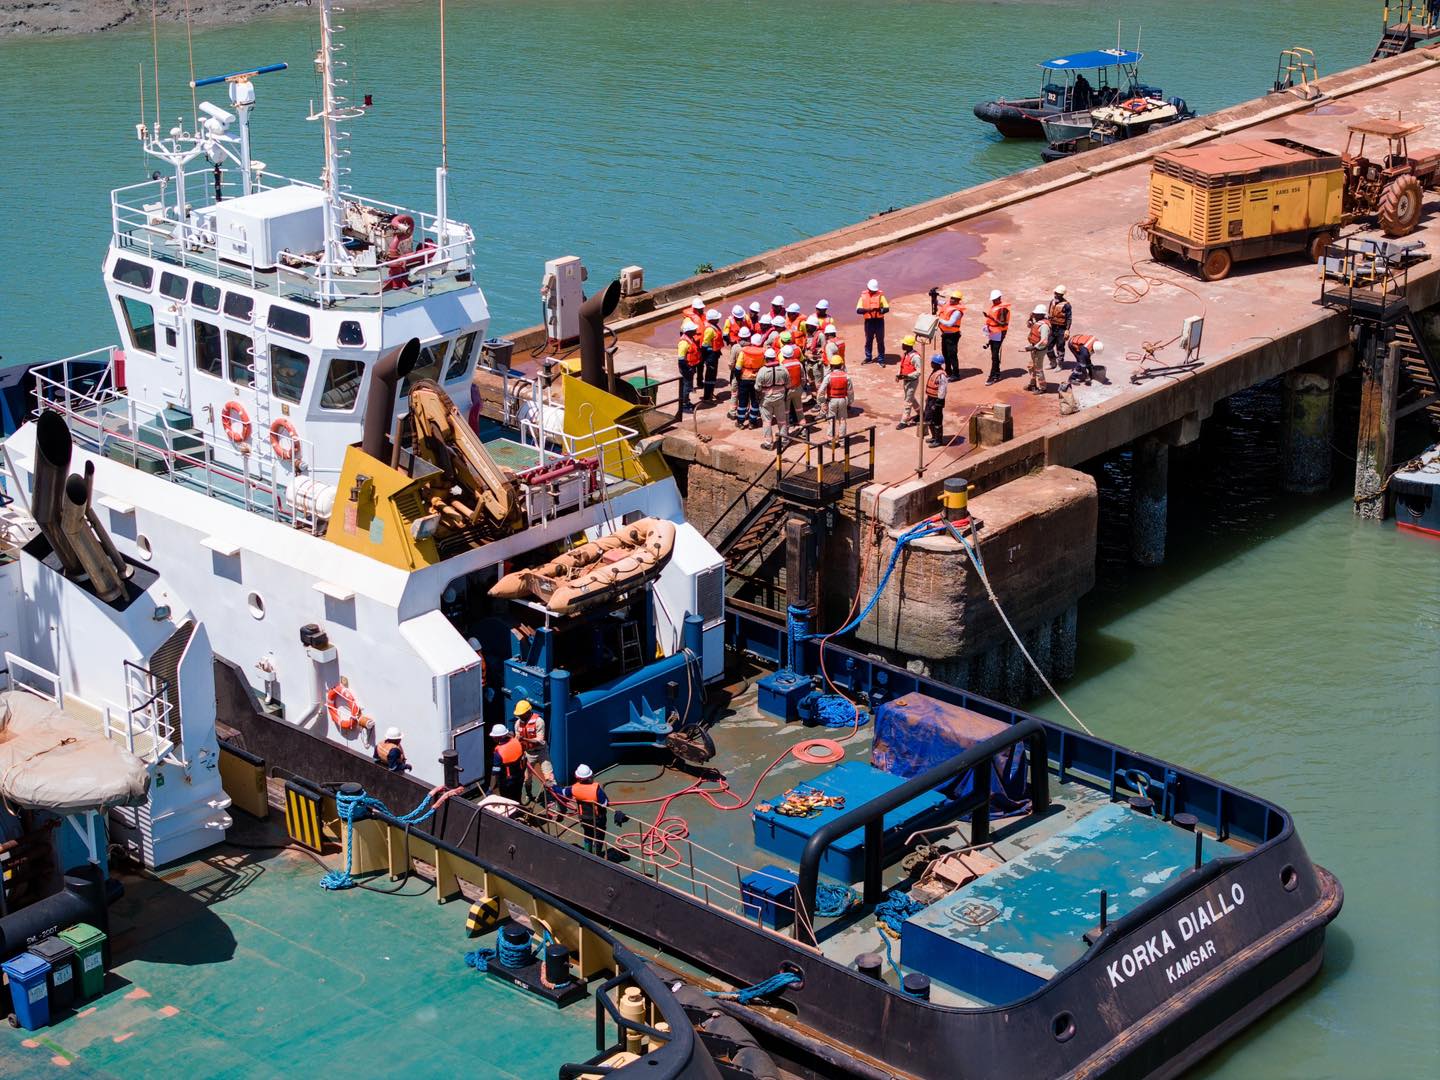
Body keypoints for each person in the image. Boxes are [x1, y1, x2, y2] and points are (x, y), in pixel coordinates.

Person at [553, 764, 609, 856]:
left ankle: (587, 853)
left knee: (588, 835)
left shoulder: (574, 789)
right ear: (590, 777)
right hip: (598, 819)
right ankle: (597, 855)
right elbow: (605, 803)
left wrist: (552, 787)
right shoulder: (597, 789)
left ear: (578, 778)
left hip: (585, 818)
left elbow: (562, 792)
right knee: (599, 837)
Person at [513, 700, 553, 803]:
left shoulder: (539, 721)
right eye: (519, 714)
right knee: (527, 778)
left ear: (528, 712)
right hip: (528, 753)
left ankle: (553, 798)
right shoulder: (518, 723)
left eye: (522, 714)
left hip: (541, 752)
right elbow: (517, 739)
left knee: (549, 777)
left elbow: (539, 741)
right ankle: (529, 794)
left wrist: (524, 739)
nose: (520, 716)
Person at [756, 348, 789, 450]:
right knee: (782, 420)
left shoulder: (762, 371)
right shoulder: (783, 369)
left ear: (766, 358)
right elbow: (788, 383)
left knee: (767, 421)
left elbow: (757, 387)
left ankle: (768, 443)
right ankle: (784, 440)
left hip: (766, 400)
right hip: (780, 398)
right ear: (774, 357)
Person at [821, 355, 854, 446]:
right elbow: (850, 391)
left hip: (832, 401)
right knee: (842, 420)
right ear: (841, 365)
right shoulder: (846, 376)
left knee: (831, 420)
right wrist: (850, 402)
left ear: (831, 366)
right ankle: (842, 441)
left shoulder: (828, 377)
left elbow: (821, 391)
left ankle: (831, 442)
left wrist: (822, 403)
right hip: (843, 400)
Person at [855, 278, 889, 364]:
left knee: (880, 340)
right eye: (871, 290)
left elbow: (886, 308)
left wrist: (879, 310)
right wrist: (867, 310)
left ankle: (881, 359)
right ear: (868, 288)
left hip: (879, 321)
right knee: (869, 340)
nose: (872, 292)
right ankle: (868, 357)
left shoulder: (881, 296)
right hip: (869, 322)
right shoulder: (863, 297)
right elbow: (858, 310)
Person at [489, 723, 526, 802]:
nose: (493, 738)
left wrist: (490, 788)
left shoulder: (498, 753)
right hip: (519, 776)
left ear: (499, 737)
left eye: (494, 736)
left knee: (507, 801)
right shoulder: (516, 742)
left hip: (507, 782)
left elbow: (495, 772)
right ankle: (519, 810)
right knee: (517, 798)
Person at [983, 289, 1012, 385]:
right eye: (993, 300)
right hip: (993, 333)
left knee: (994, 355)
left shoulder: (1002, 309)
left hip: (998, 333)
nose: (994, 301)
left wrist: (990, 317)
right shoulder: (996, 306)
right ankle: (997, 373)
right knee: (994, 354)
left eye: (995, 299)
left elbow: (1003, 324)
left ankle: (992, 376)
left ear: (999, 298)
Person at [737, 331, 765, 428]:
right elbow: (764, 366)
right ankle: (752, 422)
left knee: (742, 401)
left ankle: (740, 422)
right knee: (755, 401)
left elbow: (738, 367)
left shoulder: (743, 351)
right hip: (757, 379)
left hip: (744, 378)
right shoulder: (763, 352)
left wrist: (738, 379)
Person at [937, 289, 966, 379]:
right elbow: (937, 302)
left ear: (958, 300)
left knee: (952, 355)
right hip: (945, 334)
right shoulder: (947, 304)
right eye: (952, 297)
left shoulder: (957, 312)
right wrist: (933, 296)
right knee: (945, 353)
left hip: (952, 335)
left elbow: (950, 323)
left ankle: (956, 374)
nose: (952, 299)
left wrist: (938, 319)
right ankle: (948, 371)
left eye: (954, 298)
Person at [1024, 304, 1051, 393]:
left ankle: (1043, 388)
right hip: (1034, 348)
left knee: (1038, 369)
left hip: (1039, 350)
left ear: (1041, 314)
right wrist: (1030, 318)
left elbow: (1044, 341)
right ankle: (1032, 384)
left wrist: (1033, 347)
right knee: (1031, 366)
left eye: (1036, 314)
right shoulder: (1037, 322)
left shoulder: (1044, 326)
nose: (1035, 315)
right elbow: (1029, 326)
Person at [896, 335, 921, 428]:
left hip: (912, 381)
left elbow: (919, 372)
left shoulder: (915, 357)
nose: (902, 345)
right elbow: (902, 366)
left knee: (908, 401)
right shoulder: (906, 354)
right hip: (906, 380)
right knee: (911, 398)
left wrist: (907, 376)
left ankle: (904, 421)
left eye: (904, 343)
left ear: (909, 345)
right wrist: (898, 375)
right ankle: (921, 413)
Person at [676, 320, 701, 413]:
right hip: (686, 368)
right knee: (687, 386)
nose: (695, 331)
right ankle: (684, 405)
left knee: (688, 385)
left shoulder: (690, 339)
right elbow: (681, 359)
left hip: (690, 366)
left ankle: (686, 401)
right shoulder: (684, 343)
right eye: (693, 329)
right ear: (689, 331)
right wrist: (688, 369)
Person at [1047, 285, 1072, 369]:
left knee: (1060, 347)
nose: (1057, 295)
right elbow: (1049, 313)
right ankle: (1053, 362)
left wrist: (1067, 330)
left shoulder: (1067, 305)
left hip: (1061, 329)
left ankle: (1059, 364)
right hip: (1052, 328)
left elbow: (1069, 318)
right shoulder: (1052, 302)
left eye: (1059, 294)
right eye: (1056, 293)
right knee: (1048, 346)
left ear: (1062, 295)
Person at [781, 344, 805, 426]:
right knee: (800, 411)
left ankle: (786, 436)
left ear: (783, 355)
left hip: (787, 391)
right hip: (798, 389)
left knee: (786, 413)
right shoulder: (798, 363)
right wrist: (801, 387)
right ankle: (804, 432)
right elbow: (803, 378)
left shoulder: (782, 365)